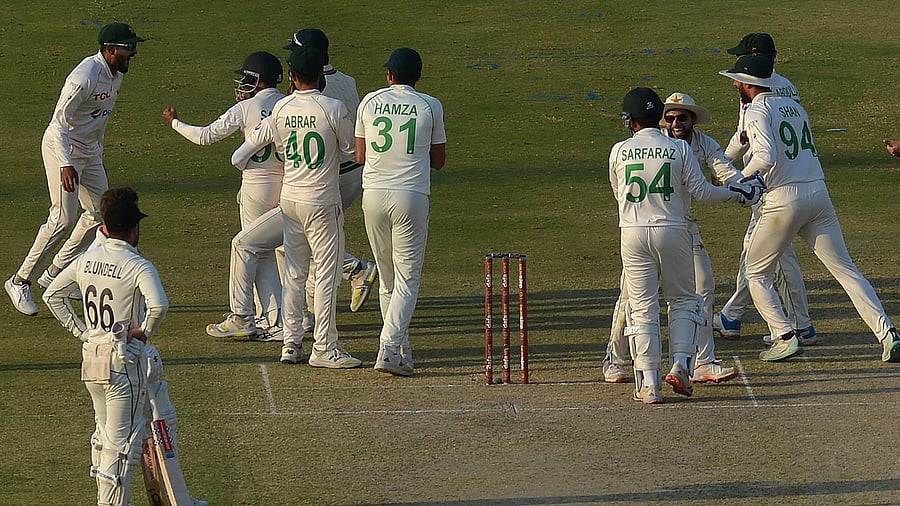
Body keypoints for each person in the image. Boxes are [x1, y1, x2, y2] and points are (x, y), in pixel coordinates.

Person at [719, 55, 900, 363]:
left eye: (737, 79)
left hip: (783, 200)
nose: (735, 83)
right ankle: (888, 333)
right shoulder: (794, 107)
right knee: (846, 270)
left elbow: (765, 156)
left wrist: (737, 179)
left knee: (756, 272)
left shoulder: (757, 110)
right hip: (818, 193)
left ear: (749, 84)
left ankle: (784, 336)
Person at [609, 87, 763, 404]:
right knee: (681, 302)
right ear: (660, 118)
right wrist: (738, 194)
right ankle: (681, 365)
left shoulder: (619, 151)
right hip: (675, 230)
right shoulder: (678, 150)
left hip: (633, 232)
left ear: (632, 122)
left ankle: (649, 384)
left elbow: (619, 194)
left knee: (642, 308)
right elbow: (704, 192)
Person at [233, 46, 361, 368]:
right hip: (322, 201)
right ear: (321, 75)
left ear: (292, 78)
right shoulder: (332, 107)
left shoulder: (281, 108)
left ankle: (291, 343)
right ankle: (324, 348)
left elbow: (272, 145)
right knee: (327, 275)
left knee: (293, 273)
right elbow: (350, 151)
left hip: (289, 199)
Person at [42, 189, 172, 505]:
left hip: (92, 361)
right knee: (121, 447)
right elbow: (158, 307)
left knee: (103, 438)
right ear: (133, 229)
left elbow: (52, 295)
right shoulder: (138, 265)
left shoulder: (85, 259)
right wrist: (142, 332)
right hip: (122, 364)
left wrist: (83, 333)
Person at [5, 22, 144, 316]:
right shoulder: (84, 77)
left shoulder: (116, 75)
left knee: (99, 213)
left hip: (90, 153)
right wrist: (67, 164)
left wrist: (96, 153)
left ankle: (54, 274)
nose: (133, 52)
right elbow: (58, 125)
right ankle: (19, 281)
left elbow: (98, 120)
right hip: (62, 150)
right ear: (109, 50)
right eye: (127, 48)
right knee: (62, 219)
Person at [162, 51, 286, 340]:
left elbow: (205, 136)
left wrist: (174, 123)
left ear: (259, 80)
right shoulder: (288, 104)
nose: (243, 83)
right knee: (266, 251)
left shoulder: (245, 109)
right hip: (287, 186)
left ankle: (243, 316)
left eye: (248, 78)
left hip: (256, 187)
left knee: (253, 251)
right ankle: (275, 317)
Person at [714, 32, 816, 346]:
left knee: (777, 259)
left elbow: (746, 137)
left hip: (771, 184)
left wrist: (725, 166)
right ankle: (732, 315)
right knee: (756, 252)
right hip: (793, 176)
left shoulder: (755, 94)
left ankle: (800, 325)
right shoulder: (788, 87)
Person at [355, 47, 447, 376]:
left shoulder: (369, 101)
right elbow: (438, 160)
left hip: (373, 195)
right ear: (418, 78)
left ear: (389, 75)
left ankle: (402, 349)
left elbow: (361, 154)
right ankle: (390, 347)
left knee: (388, 279)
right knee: (407, 280)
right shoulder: (430, 105)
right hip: (411, 197)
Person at [284, 28, 378, 313]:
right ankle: (320, 300)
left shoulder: (305, 88)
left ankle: (354, 271)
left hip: (324, 176)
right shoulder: (348, 80)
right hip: (354, 174)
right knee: (315, 238)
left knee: (304, 239)